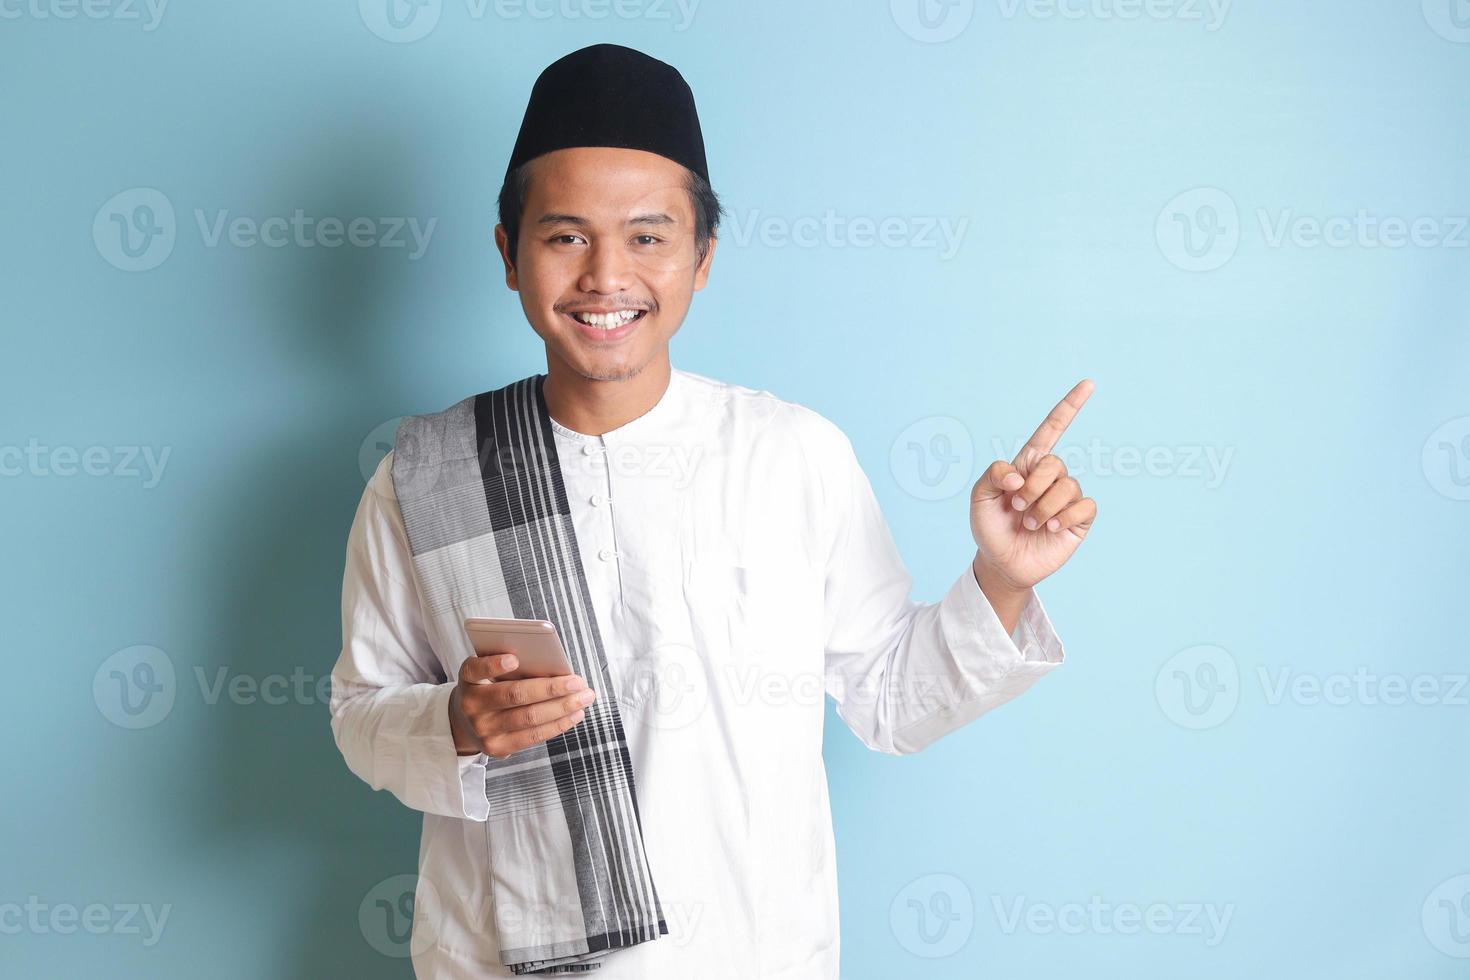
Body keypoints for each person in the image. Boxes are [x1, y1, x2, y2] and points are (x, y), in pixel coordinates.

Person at [329, 42, 1096, 980]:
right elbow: (360, 715)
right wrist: (455, 722)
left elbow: (894, 699)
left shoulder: (792, 455)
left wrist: (1002, 581)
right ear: (508, 253)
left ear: (702, 258)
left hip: (746, 955)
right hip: (496, 960)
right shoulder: (427, 474)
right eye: (566, 235)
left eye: (648, 236)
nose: (606, 276)